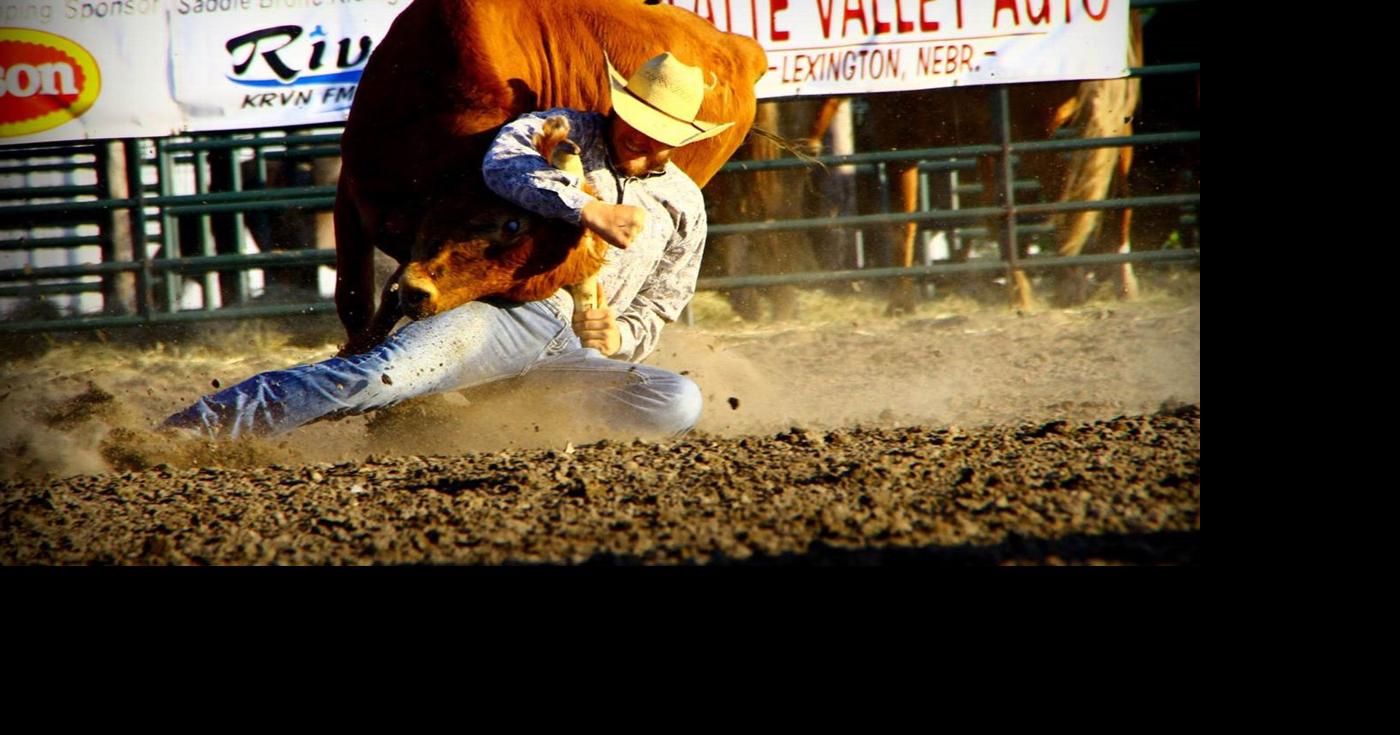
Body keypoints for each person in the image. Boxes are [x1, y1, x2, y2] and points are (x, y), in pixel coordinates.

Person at [161, 51, 732, 440]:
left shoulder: (684, 202)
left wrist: (625, 333)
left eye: (657, 129)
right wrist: (585, 206)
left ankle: (478, 413)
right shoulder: (560, 130)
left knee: (676, 402)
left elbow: (663, 299)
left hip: (576, 355)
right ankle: (196, 429)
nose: (639, 133)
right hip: (513, 311)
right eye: (634, 117)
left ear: (679, 139)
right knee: (378, 376)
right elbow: (504, 166)